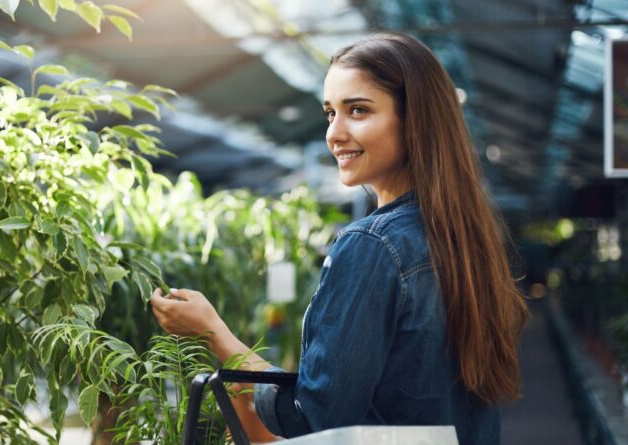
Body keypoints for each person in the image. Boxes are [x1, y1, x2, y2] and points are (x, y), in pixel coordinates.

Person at [150, 31, 528, 445]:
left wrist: (211, 331)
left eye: (358, 111)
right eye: (331, 113)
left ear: (415, 119)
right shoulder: (467, 239)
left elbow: (310, 420)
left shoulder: (374, 246)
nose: (334, 133)